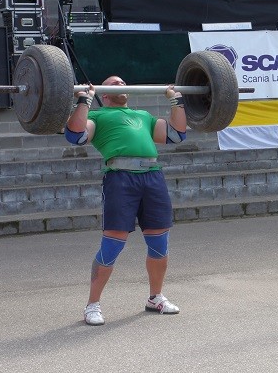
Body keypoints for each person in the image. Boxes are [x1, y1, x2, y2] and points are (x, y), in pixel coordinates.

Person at [65, 77, 188, 325]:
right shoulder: (98, 116)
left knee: (159, 243)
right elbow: (75, 135)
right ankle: (93, 305)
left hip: (152, 177)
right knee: (112, 244)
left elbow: (176, 135)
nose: (121, 84)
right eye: (114, 83)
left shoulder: (143, 115)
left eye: (123, 82)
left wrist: (176, 101)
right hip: (120, 179)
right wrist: (84, 100)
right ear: (105, 94)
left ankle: (155, 297)